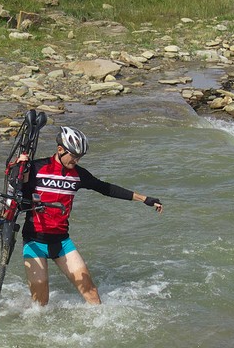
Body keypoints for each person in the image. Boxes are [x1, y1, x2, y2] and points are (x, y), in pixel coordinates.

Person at [18, 125, 162, 306]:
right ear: (60, 149)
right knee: (40, 304)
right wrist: (20, 167)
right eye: (74, 155)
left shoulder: (78, 175)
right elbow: (16, 187)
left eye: (80, 157)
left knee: (93, 295)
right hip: (34, 241)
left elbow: (105, 188)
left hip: (62, 243)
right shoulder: (36, 168)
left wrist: (144, 199)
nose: (76, 160)